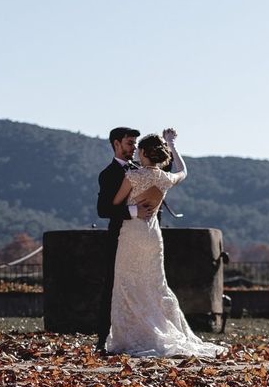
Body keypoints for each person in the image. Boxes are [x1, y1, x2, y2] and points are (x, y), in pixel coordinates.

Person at [105, 129, 226, 357]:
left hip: (131, 235)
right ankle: (161, 330)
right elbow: (183, 171)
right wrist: (172, 144)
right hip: (153, 237)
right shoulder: (165, 178)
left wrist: (133, 209)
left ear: (142, 152)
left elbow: (114, 204)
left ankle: (131, 336)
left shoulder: (133, 176)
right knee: (156, 285)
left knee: (128, 284)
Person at [96, 127, 159, 354]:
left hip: (143, 239)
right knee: (113, 287)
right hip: (120, 238)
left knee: (143, 287)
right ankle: (103, 339)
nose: (134, 148)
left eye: (135, 144)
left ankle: (140, 337)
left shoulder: (141, 169)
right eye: (130, 143)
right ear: (116, 144)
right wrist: (134, 212)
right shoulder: (108, 174)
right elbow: (103, 210)